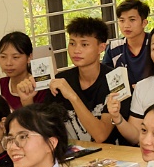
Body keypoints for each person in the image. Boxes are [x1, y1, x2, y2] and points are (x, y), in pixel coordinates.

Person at [52, 16, 123, 144]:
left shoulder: (116, 79)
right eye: (72, 43)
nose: (76, 50)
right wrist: (27, 99)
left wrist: (72, 97)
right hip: (72, 153)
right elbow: (42, 127)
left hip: (110, 153)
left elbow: (101, 135)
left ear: (101, 48)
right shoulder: (61, 80)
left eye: (84, 44)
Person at [103, 0, 151, 86]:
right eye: (122, 20)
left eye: (132, 20)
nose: (126, 25)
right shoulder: (114, 48)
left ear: (144, 23)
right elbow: (106, 79)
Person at [0, 31, 38, 110]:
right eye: (3, 57)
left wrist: (27, 101)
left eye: (15, 57)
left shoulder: (40, 87)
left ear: (29, 57)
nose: (8, 63)